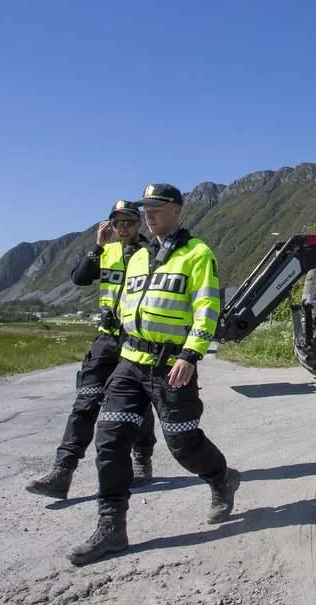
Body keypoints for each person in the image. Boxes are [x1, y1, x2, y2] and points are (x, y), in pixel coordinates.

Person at [67, 183, 240, 566]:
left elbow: (207, 308)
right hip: (130, 361)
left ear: (177, 210)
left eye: (157, 207)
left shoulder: (198, 254)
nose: (149, 214)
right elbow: (124, 301)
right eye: (146, 207)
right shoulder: (138, 256)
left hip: (171, 365)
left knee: (183, 445)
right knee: (110, 440)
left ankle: (221, 479)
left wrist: (191, 355)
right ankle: (112, 527)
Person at [25, 201, 157, 500]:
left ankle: (142, 459)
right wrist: (97, 246)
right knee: (84, 404)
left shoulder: (150, 254)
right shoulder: (105, 250)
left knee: (138, 403)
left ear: (140, 225)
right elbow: (80, 278)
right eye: (117, 223)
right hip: (106, 338)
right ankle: (62, 472)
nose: (123, 228)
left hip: (135, 339)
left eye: (129, 222)